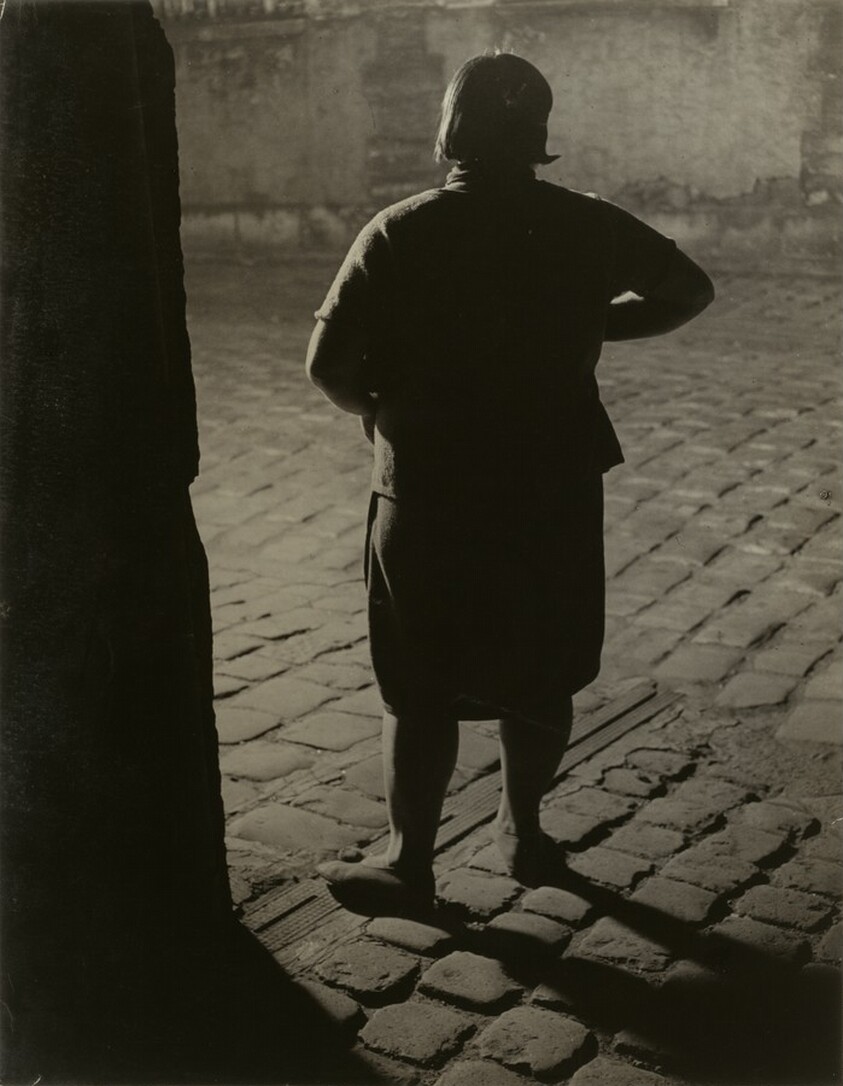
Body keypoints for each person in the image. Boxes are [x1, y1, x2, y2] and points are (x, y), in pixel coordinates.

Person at [306, 52, 714, 914]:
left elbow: (327, 363)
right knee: (544, 668)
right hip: (552, 484)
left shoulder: (399, 230)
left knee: (417, 682)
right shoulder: (588, 224)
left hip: (426, 488)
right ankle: (523, 835)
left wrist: (372, 410)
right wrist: (584, 324)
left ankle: (408, 860)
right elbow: (687, 291)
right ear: (537, 132)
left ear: (448, 128)